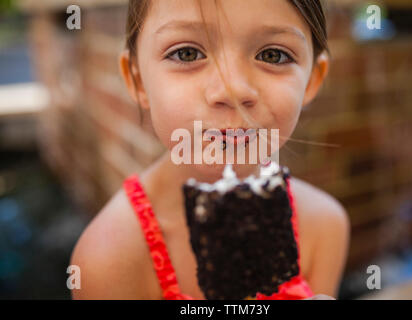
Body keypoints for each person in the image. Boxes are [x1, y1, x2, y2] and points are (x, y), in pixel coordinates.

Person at [71, 0, 350, 300]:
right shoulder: (108, 260)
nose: (233, 90)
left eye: (273, 55)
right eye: (187, 53)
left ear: (311, 80)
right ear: (137, 78)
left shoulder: (324, 227)